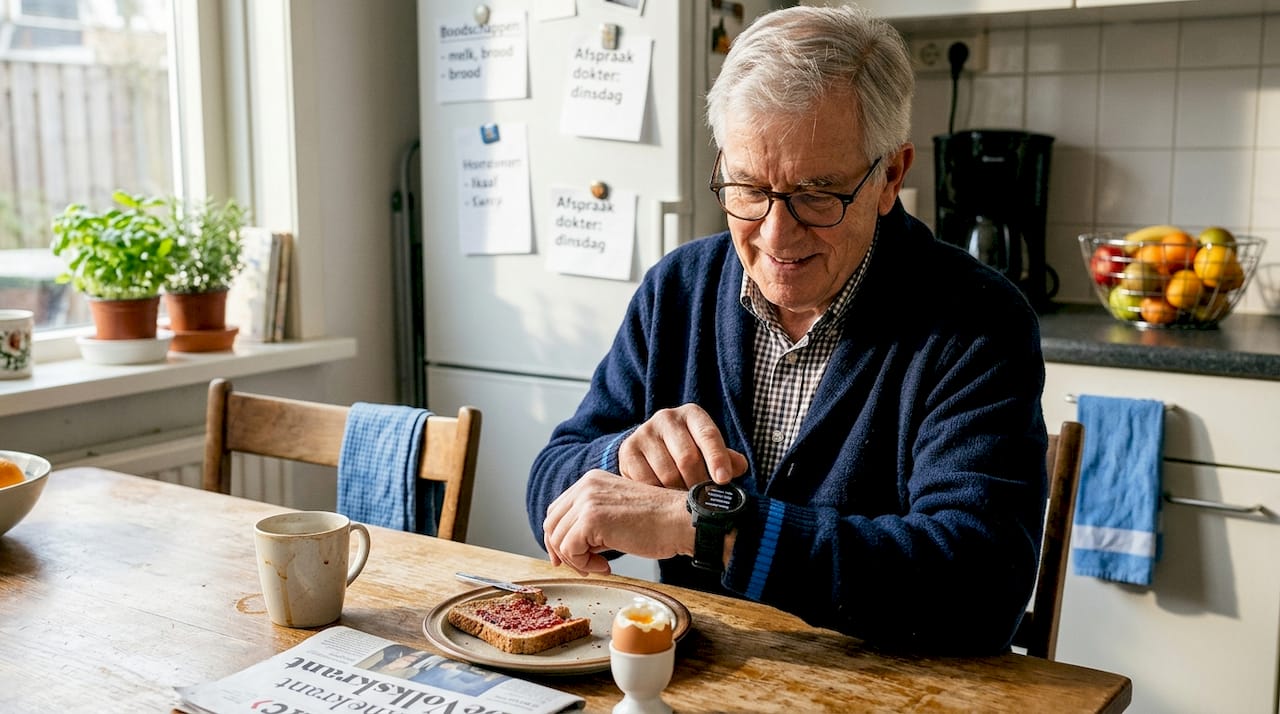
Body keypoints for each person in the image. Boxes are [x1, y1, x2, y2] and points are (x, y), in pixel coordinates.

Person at [526, 4, 1047, 655]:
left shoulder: (977, 323)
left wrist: (711, 529)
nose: (776, 236)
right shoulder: (678, 292)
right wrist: (621, 458)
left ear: (890, 176)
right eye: (747, 187)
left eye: (817, 193)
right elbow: (549, 485)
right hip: (699, 685)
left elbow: (977, 589)